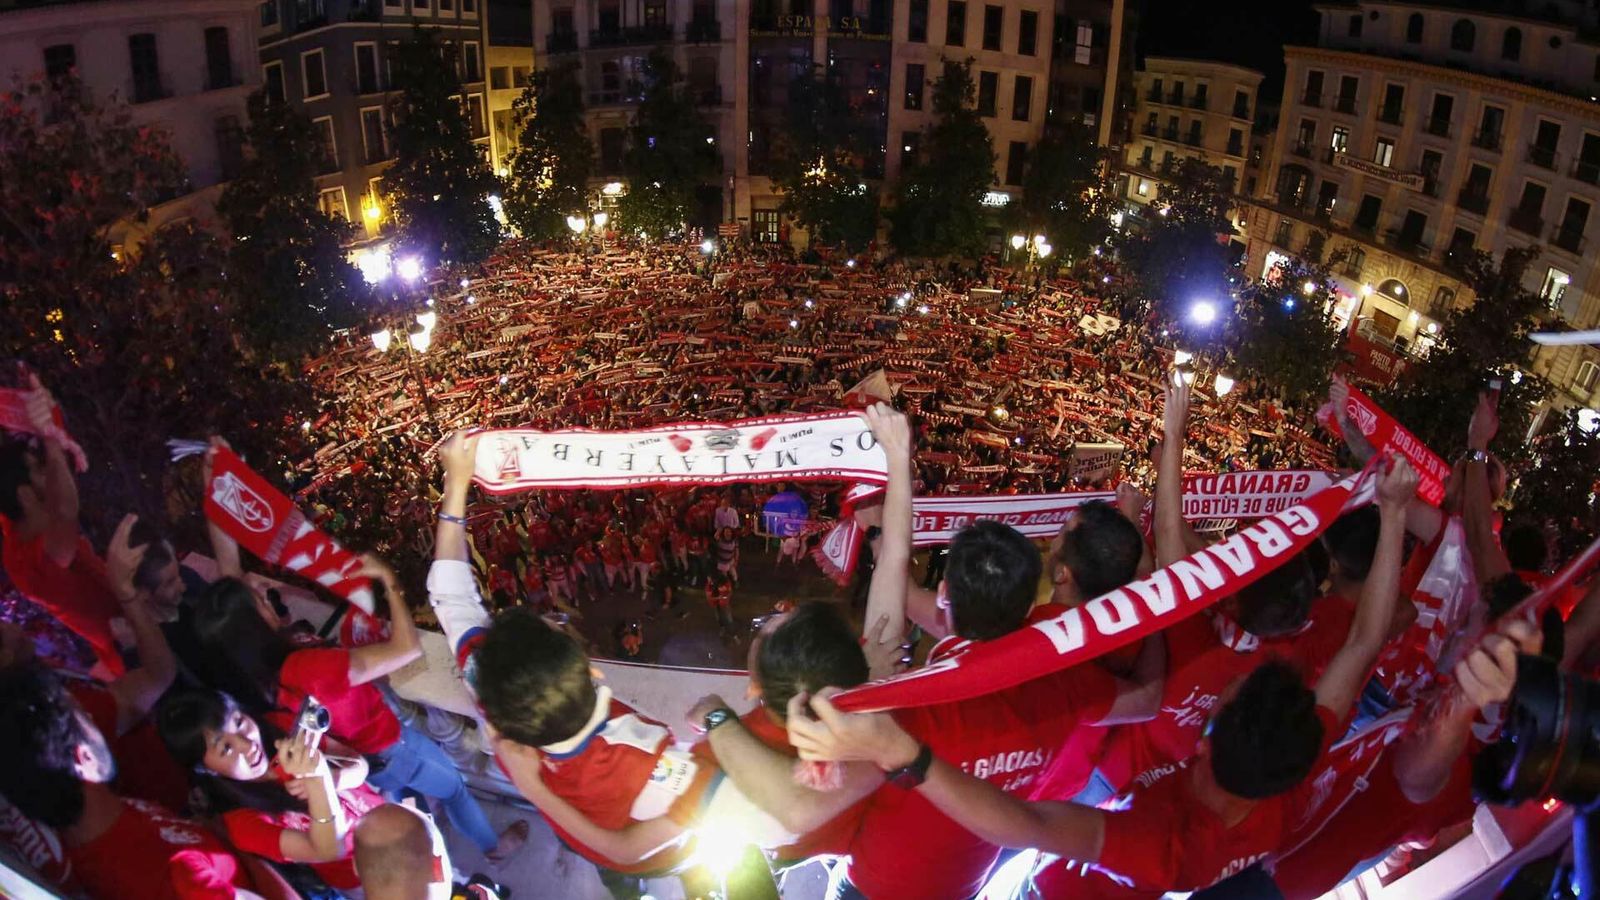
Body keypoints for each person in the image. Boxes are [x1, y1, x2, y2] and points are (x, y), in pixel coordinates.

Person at [787, 453, 1421, 897]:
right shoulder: (1280, 765)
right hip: (1005, 842)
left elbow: (1025, 825)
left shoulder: (1158, 843)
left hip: (978, 877)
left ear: (1204, 742)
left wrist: (912, 758)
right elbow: (1365, 640)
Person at [427, 430, 801, 891]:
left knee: (618, 879)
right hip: (665, 854)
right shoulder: (639, 753)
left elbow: (450, 595)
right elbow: (769, 810)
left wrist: (455, 485)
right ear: (592, 671)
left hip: (589, 846)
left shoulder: (492, 692)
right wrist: (720, 717)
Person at [189, 557, 521, 861]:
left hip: (362, 757)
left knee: (406, 801)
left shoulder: (256, 681)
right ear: (253, 625)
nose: (266, 598)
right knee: (455, 789)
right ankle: (493, 848)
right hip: (390, 744)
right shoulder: (309, 668)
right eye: (259, 601)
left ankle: (427, 843)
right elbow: (406, 648)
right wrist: (391, 584)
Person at [0, 664, 272, 899]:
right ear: (83, 760)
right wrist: (252, 847)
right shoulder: (156, 874)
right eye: (84, 716)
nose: (95, 719)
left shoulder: (109, 819)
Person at [157, 688, 385, 894]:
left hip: (387, 817)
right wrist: (319, 783)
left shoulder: (279, 727)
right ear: (206, 769)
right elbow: (327, 850)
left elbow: (358, 763)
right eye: (226, 748)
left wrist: (335, 779)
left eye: (239, 722)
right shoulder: (243, 823)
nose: (247, 744)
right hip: (367, 876)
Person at [0, 375, 126, 678]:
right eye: (39, 469)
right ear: (25, 495)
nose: (51, 472)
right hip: (133, 645)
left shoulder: (17, 527)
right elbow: (66, 510)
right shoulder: (29, 561)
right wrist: (51, 441)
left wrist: (38, 414)